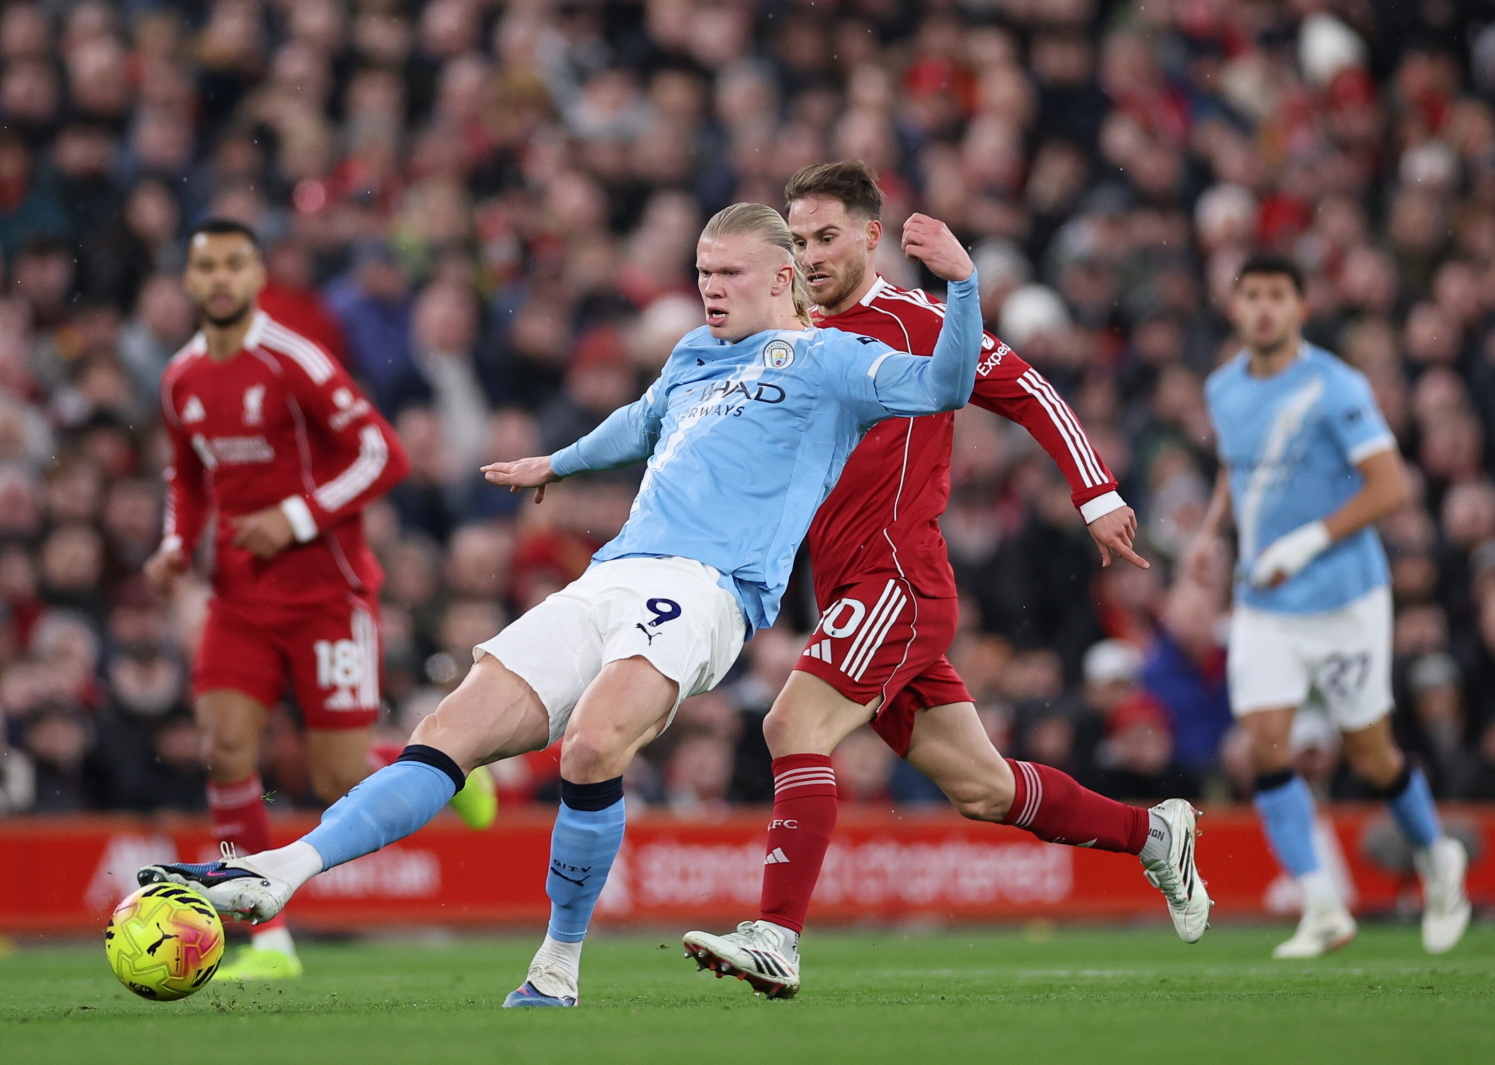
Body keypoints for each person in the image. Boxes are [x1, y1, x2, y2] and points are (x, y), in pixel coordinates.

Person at [139, 202, 984, 1008]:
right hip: (611, 574)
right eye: (702, 272)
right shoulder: (695, 351)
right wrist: (557, 462)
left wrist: (961, 285)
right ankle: (280, 871)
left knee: (590, 745)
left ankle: (557, 962)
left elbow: (946, 384)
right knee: (446, 731)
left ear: (782, 276)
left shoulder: (832, 360)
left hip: (707, 589)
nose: (711, 288)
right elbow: (641, 422)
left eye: (729, 273)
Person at [683, 162, 1208, 1000]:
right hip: (847, 590)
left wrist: (1096, 492)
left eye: (827, 237)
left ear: (870, 236)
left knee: (791, 724)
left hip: (896, 581)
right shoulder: (787, 329)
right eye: (799, 239)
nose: (810, 255)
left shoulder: (921, 321)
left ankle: (776, 936)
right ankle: (1155, 834)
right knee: (984, 788)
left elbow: (1029, 389)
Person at [141, 219, 494, 982]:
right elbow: (186, 476)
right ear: (190, 281)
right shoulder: (181, 377)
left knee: (337, 778)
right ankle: (268, 941)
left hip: (326, 596)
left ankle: (437, 764)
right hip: (239, 600)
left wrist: (295, 518)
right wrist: (176, 544)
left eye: (235, 264)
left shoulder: (294, 361)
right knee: (224, 749)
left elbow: (384, 453)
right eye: (207, 266)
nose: (221, 278)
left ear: (257, 276)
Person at [1182, 252, 1470, 959]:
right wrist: (1211, 533)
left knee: (1370, 754)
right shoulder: (1223, 388)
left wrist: (1307, 541)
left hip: (1344, 599)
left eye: (1277, 295)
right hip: (1264, 600)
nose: (1264, 309)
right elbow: (1238, 467)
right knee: (1263, 744)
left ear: (1301, 307)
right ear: (1235, 308)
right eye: (1252, 295)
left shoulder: (1336, 386)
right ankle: (1320, 905)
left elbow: (1389, 487)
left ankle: (1437, 855)